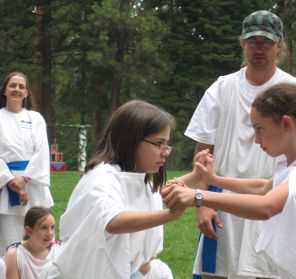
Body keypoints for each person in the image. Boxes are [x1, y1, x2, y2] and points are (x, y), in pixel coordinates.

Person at [163, 83, 296, 279]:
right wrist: (215, 179)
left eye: (259, 128)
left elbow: (266, 206)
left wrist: (198, 196)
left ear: (286, 123)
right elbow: (265, 187)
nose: (256, 140)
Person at [184, 10, 296, 279]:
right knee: (216, 273)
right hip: (222, 200)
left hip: (275, 198)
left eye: (266, 42)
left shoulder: (295, 90)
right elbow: (203, 153)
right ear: (243, 43)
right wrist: (203, 203)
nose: (259, 49)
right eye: (253, 41)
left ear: (279, 46)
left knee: (270, 272)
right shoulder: (221, 88)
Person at [40, 100, 188, 279]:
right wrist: (169, 215)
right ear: (131, 139)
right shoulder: (102, 177)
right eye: (158, 143)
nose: (165, 152)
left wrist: (198, 175)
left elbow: (147, 195)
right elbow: (114, 221)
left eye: (166, 144)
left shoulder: (137, 176)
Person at [0, 72, 53, 251]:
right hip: (7, 189)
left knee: (39, 235)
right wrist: (11, 181)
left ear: (26, 93)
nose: (17, 89)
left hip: (33, 187)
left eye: (21, 87)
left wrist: (24, 179)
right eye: (12, 85)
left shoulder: (35, 118)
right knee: (11, 242)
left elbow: (42, 152)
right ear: (5, 91)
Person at [3, 206, 60, 279]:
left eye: (52, 227)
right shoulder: (14, 256)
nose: (50, 233)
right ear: (28, 231)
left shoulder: (58, 252)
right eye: (44, 228)